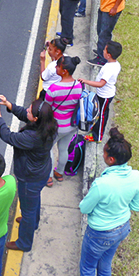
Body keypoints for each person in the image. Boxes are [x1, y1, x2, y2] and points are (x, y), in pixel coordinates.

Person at [0, 95, 57, 252]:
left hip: (30, 178)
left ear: (35, 119)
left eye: (29, 111)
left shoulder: (32, 137)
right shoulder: (49, 125)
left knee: (27, 211)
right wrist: (9, 105)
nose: (26, 110)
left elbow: (8, 136)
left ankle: (24, 243)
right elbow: (25, 114)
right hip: (41, 171)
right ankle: (33, 222)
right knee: (34, 201)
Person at [78, 128, 139, 276]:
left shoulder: (102, 184)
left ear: (111, 159)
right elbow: (136, 206)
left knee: (88, 268)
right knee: (105, 265)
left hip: (99, 233)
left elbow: (84, 208)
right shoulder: (137, 176)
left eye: (104, 152)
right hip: (122, 229)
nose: (103, 154)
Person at [46, 55, 83, 186]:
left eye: (58, 66)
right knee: (63, 149)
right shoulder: (79, 86)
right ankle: (59, 173)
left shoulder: (53, 89)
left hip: (56, 126)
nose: (55, 67)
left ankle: (49, 177)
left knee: (48, 149)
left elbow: (46, 107)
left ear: (64, 71)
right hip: (71, 125)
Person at [77, 40, 122, 143]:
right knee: (100, 113)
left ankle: (97, 137)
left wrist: (86, 81)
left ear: (109, 55)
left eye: (104, 50)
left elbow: (101, 83)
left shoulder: (109, 69)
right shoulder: (115, 64)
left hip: (105, 95)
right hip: (104, 94)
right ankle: (95, 129)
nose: (102, 51)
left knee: (101, 115)